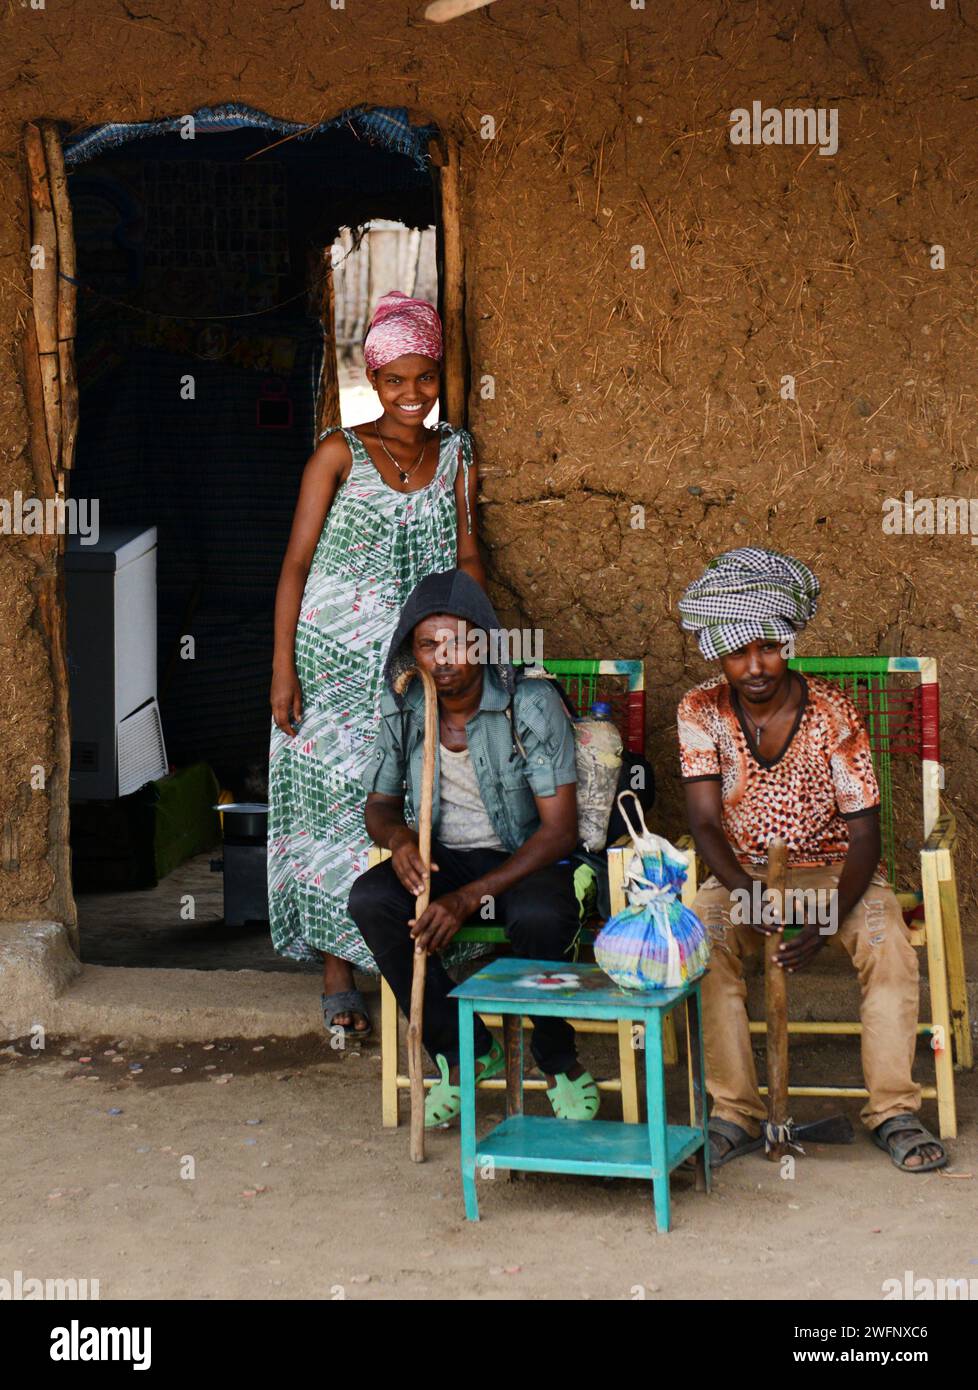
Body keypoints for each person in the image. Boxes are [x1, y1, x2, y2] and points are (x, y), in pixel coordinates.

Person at [676, 547, 947, 1172]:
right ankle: (735, 1113)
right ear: (719, 652)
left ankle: (893, 1110)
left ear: (788, 643)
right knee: (703, 937)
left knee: (887, 942)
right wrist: (746, 893)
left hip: (835, 873)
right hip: (741, 875)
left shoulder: (833, 715)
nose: (755, 666)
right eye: (739, 652)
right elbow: (705, 822)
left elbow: (866, 835)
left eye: (768, 647)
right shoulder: (699, 710)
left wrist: (825, 920)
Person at [268, 292, 484, 1038]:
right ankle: (339, 979)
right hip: (327, 668)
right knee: (331, 815)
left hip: (411, 671)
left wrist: (478, 646)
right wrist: (281, 670)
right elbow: (295, 566)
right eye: (396, 379)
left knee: (406, 808)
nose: (412, 394)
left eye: (425, 378)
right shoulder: (337, 452)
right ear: (373, 374)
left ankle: (404, 962)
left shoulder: (455, 453)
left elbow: (466, 557)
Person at [348, 568, 600, 1127]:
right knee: (372, 899)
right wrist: (399, 840)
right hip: (446, 858)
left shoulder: (528, 705)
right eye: (429, 645)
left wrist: (467, 900)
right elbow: (380, 806)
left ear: (484, 644)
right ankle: (460, 1049)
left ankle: (557, 1057)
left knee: (539, 915)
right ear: (412, 654)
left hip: (527, 857)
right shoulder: (405, 708)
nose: (445, 657)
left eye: (459, 641)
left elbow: (558, 830)